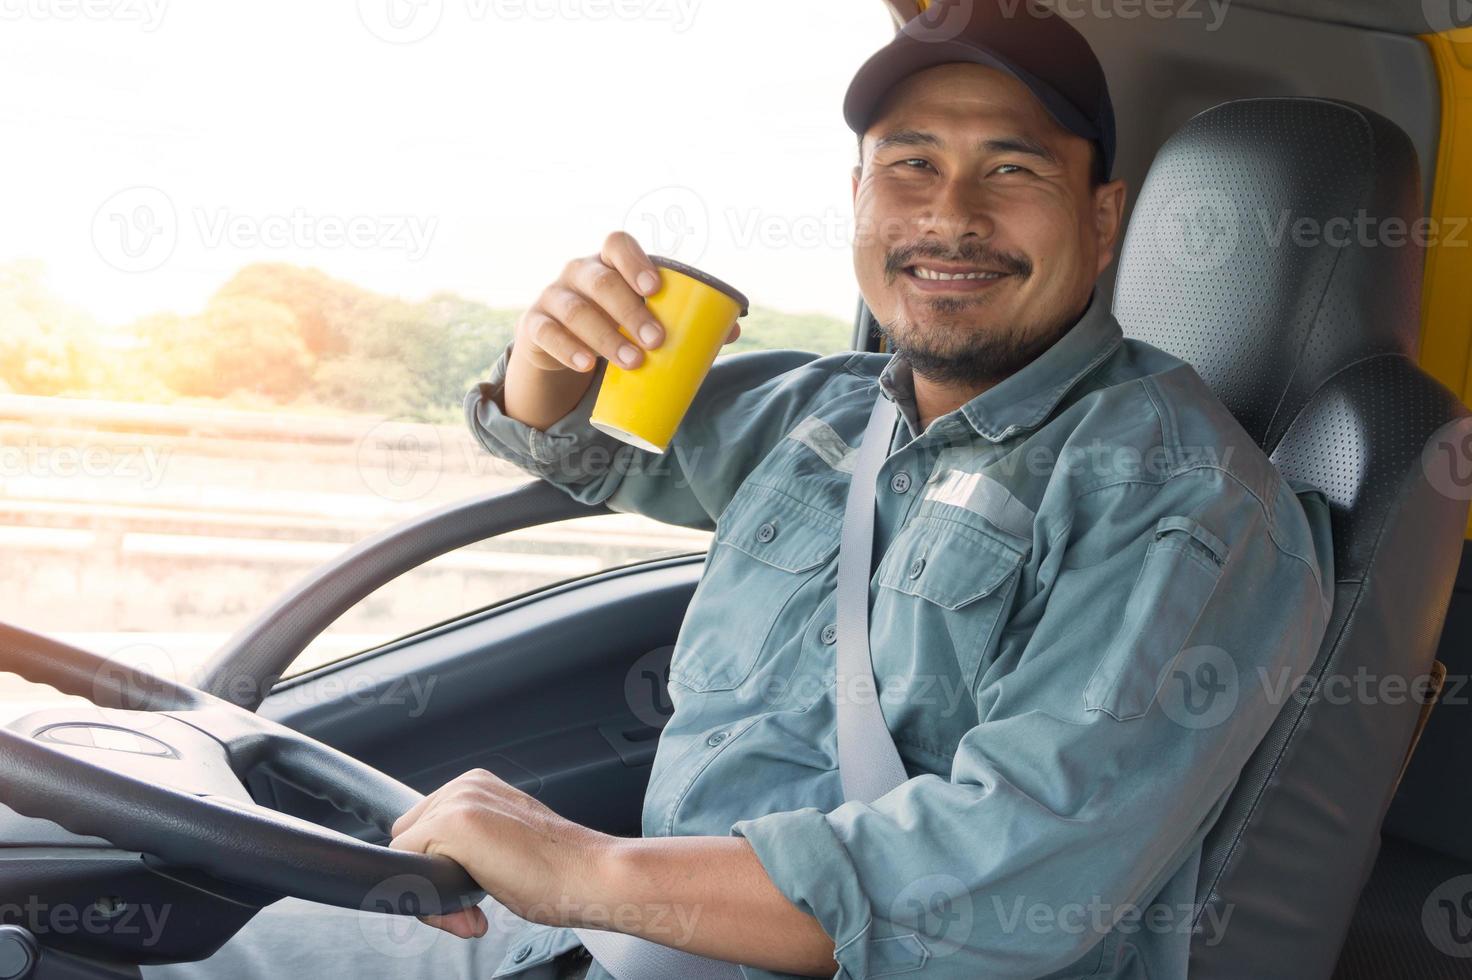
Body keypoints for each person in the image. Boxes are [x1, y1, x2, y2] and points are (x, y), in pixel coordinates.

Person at [148, 3, 1333, 978]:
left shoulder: (1181, 495)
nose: (948, 215)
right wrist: (547, 356)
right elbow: (592, 443)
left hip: (774, 948)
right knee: (189, 938)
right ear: (860, 200)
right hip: (634, 935)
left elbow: (1003, 873)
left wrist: (587, 868)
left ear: (1102, 215)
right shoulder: (832, 407)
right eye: (908, 164)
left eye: (1010, 170)